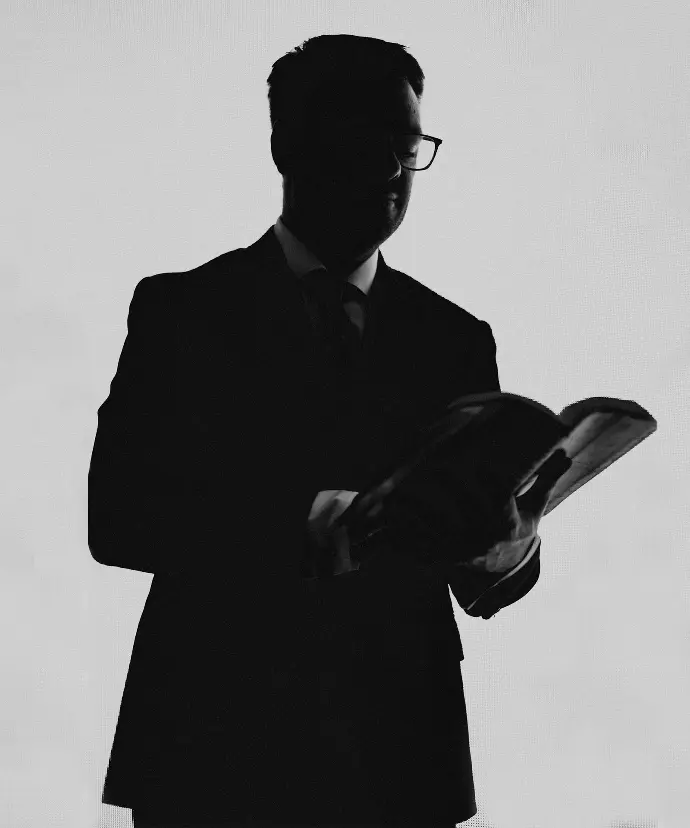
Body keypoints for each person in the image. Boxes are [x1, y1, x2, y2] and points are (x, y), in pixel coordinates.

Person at [89, 34, 571, 828]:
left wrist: (507, 543)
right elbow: (118, 518)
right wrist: (315, 523)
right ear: (287, 146)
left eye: (408, 145)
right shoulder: (181, 312)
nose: (391, 170)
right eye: (366, 141)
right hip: (213, 742)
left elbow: (484, 580)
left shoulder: (454, 337)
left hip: (402, 751)